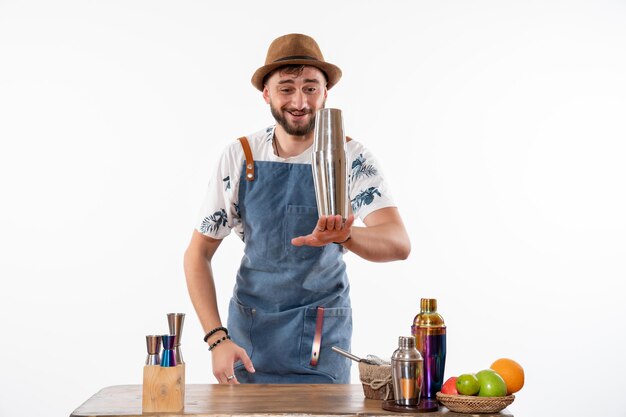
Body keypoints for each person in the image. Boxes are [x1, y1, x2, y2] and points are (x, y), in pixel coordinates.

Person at [184, 33, 410, 385]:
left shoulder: (351, 158)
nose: (300, 101)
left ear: (325, 93)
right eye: (286, 88)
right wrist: (217, 338)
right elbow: (197, 254)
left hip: (322, 340)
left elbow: (398, 243)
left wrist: (347, 236)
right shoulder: (241, 156)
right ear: (267, 94)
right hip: (248, 341)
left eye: (310, 88)